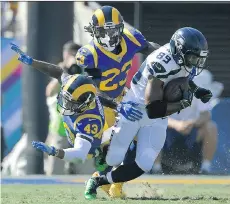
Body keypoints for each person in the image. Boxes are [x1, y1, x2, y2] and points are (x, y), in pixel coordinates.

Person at [84, 27, 213, 200]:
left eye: (198, 58)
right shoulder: (160, 65)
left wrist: (196, 90)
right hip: (135, 107)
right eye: (192, 58)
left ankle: (100, 181)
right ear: (179, 51)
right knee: (115, 155)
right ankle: (103, 176)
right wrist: (182, 103)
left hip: (156, 112)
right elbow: (152, 109)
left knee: (144, 162)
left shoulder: (180, 58)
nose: (195, 63)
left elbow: (181, 76)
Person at [10, 43, 142, 176]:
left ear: (84, 104)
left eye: (71, 102)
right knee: (56, 171)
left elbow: (79, 154)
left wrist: (54, 151)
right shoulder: (73, 82)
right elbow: (56, 71)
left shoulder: (90, 120)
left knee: (85, 170)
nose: (66, 104)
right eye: (66, 98)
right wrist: (33, 62)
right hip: (63, 129)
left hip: (88, 138)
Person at [76, 5, 160, 197]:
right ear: (95, 32)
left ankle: (116, 184)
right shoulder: (90, 53)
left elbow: (151, 50)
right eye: (104, 31)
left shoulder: (131, 38)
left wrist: (168, 55)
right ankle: (102, 179)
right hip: (99, 104)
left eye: (113, 30)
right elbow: (94, 90)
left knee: (140, 138)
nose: (109, 36)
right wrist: (118, 106)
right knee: (111, 148)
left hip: (123, 95)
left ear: (120, 28)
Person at [45, 41, 82, 175]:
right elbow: (50, 91)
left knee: (85, 170)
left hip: (81, 128)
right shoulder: (60, 71)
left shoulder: (83, 70)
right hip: (60, 128)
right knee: (56, 169)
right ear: (65, 55)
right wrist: (64, 72)